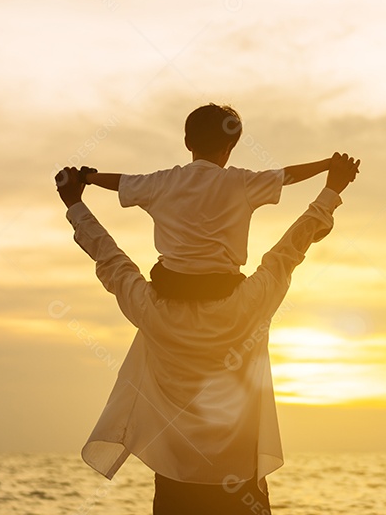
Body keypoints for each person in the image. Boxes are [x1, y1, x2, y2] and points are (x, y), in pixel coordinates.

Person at [54, 153, 360, 514]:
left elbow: (108, 257)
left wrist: (75, 202)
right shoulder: (248, 305)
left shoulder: (152, 310)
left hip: (175, 475)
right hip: (240, 478)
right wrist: (331, 189)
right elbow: (290, 248)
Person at [82, 103, 334, 300]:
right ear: (229, 147)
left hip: (171, 285)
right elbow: (285, 176)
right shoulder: (241, 183)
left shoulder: (162, 182)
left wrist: (89, 177)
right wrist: (326, 165)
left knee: (159, 269)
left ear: (187, 142)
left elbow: (123, 181)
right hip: (220, 286)